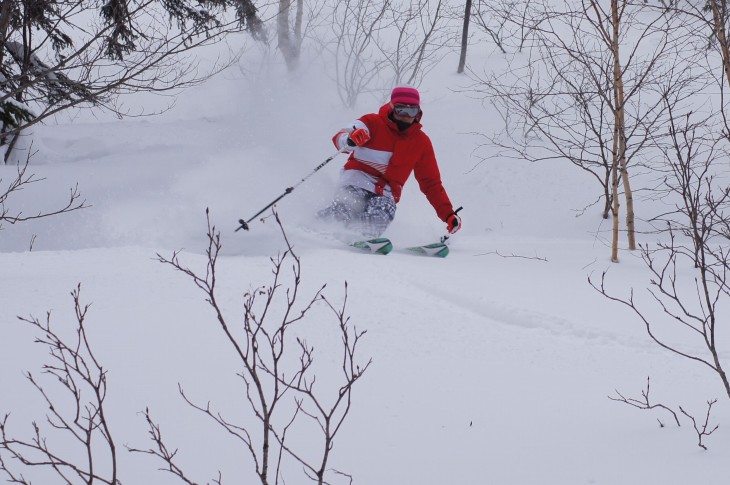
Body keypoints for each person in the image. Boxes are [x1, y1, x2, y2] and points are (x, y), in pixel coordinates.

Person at [318, 86, 462, 239]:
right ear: (392, 107)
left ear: (418, 112)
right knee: (348, 205)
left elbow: (431, 183)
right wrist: (349, 139)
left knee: (381, 213)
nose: (406, 116)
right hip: (356, 182)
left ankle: (359, 236)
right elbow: (341, 136)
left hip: (386, 193)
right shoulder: (372, 123)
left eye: (411, 111)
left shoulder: (421, 143)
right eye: (401, 110)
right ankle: (320, 226)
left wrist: (448, 214)